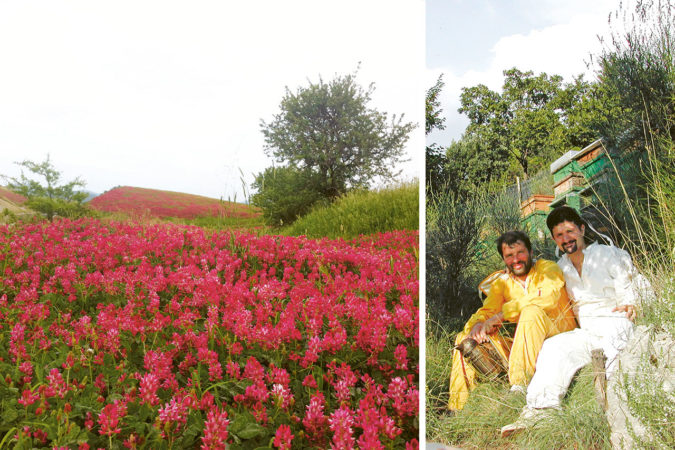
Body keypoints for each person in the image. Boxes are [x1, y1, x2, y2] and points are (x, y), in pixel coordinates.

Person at [501, 206, 640, 437]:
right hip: (587, 330)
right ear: (554, 239)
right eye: (559, 235)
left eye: (569, 231)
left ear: (582, 229)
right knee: (554, 346)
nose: (566, 239)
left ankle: (617, 407)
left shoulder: (608, 254)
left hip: (617, 319)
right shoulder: (561, 268)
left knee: (617, 337)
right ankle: (539, 410)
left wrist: (631, 303)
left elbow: (630, 286)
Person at [448, 230, 577, 411]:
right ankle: (459, 408)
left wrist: (502, 314)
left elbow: (547, 297)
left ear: (531, 252)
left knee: (530, 312)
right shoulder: (502, 283)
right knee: (463, 338)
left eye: (520, 253)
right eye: (509, 255)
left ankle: (519, 386)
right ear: (504, 260)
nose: (516, 259)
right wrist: (476, 326)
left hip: (558, 334)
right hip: (527, 342)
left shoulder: (547, 269)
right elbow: (487, 310)